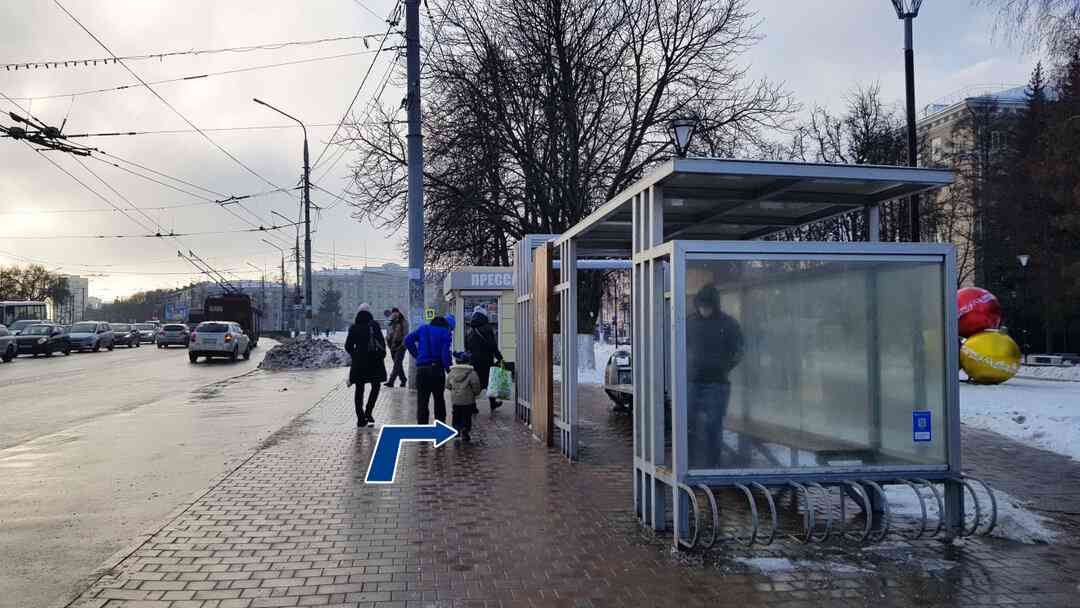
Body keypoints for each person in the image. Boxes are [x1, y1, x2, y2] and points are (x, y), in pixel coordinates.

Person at [685, 284, 744, 468]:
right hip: (694, 380)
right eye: (702, 305)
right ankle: (690, 463)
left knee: (713, 425)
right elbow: (681, 346)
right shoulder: (690, 322)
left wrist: (723, 368)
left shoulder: (728, 324)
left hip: (716, 382)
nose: (704, 309)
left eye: (707, 306)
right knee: (688, 422)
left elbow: (738, 350)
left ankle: (712, 465)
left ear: (714, 305)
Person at [405, 315, 454, 424]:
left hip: (422, 370)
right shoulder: (445, 332)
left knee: (422, 401)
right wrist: (449, 371)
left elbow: (407, 340)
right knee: (439, 399)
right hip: (437, 370)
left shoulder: (423, 329)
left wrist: (417, 355)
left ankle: (422, 428)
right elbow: (445, 355)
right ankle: (440, 426)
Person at [344, 304, 387, 427]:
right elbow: (382, 343)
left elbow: (348, 346)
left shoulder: (354, 327)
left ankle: (360, 418)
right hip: (374, 362)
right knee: (376, 386)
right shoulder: (374, 326)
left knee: (359, 389)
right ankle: (368, 411)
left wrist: (356, 355)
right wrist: (381, 355)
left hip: (359, 363)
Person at [465, 305, 504, 412]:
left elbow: (467, 346)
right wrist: (499, 357)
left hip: (473, 361)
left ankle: (472, 406)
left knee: (474, 383)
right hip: (486, 361)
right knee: (489, 382)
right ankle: (493, 403)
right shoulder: (487, 329)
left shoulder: (470, 330)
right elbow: (492, 345)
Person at [447, 351, 483, 442]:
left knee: (456, 414)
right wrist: (476, 393)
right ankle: (465, 431)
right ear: (468, 361)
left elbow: (447, 385)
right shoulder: (472, 373)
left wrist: (453, 390)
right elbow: (476, 385)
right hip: (468, 400)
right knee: (466, 416)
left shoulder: (451, 372)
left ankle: (456, 429)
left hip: (455, 400)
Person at [384, 307, 409, 388]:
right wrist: (388, 341)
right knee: (398, 364)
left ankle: (391, 381)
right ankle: (403, 379)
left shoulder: (403, 322)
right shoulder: (391, 322)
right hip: (392, 346)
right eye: (393, 313)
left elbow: (406, 334)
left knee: (397, 364)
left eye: (395, 312)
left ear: (398, 312)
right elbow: (388, 333)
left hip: (400, 346)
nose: (394, 314)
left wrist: (403, 345)